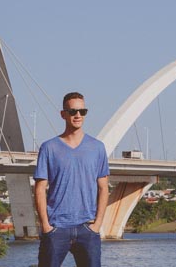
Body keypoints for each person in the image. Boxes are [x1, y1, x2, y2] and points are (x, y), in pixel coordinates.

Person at [34, 92, 111, 267]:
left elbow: (104, 188)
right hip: (56, 228)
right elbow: (39, 189)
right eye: (73, 111)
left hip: (87, 228)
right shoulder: (49, 148)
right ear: (63, 114)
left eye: (82, 111)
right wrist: (46, 226)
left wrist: (97, 225)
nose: (78, 115)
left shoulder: (97, 148)